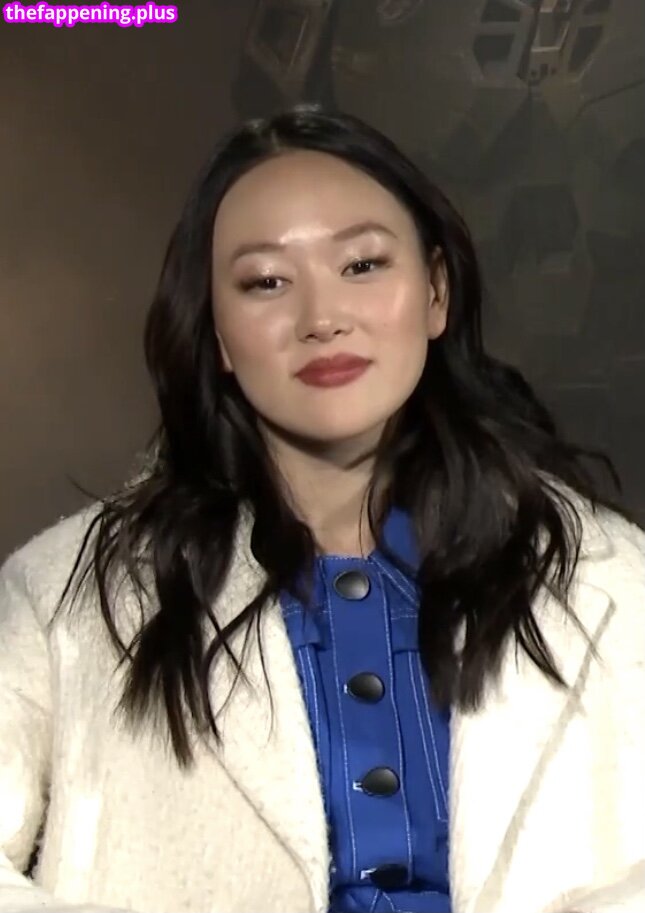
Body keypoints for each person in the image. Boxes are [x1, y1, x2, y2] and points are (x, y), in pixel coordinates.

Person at [0, 104, 644, 913]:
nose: (322, 319)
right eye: (266, 282)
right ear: (217, 333)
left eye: (362, 264)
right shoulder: (66, 596)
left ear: (435, 291)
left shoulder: (606, 575)